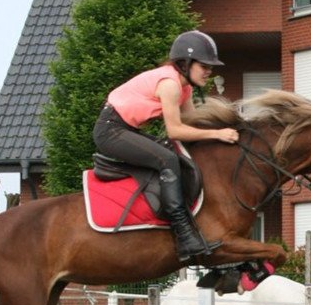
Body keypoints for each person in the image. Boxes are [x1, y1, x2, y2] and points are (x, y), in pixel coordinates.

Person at [93, 30, 239, 262]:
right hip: (111, 131)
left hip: (126, 130)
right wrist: (217, 133)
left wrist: (228, 126)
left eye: (210, 67)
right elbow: (175, 130)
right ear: (186, 63)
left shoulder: (185, 87)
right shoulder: (170, 84)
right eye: (204, 66)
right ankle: (183, 233)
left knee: (175, 154)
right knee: (167, 159)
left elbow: (192, 121)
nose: (209, 72)